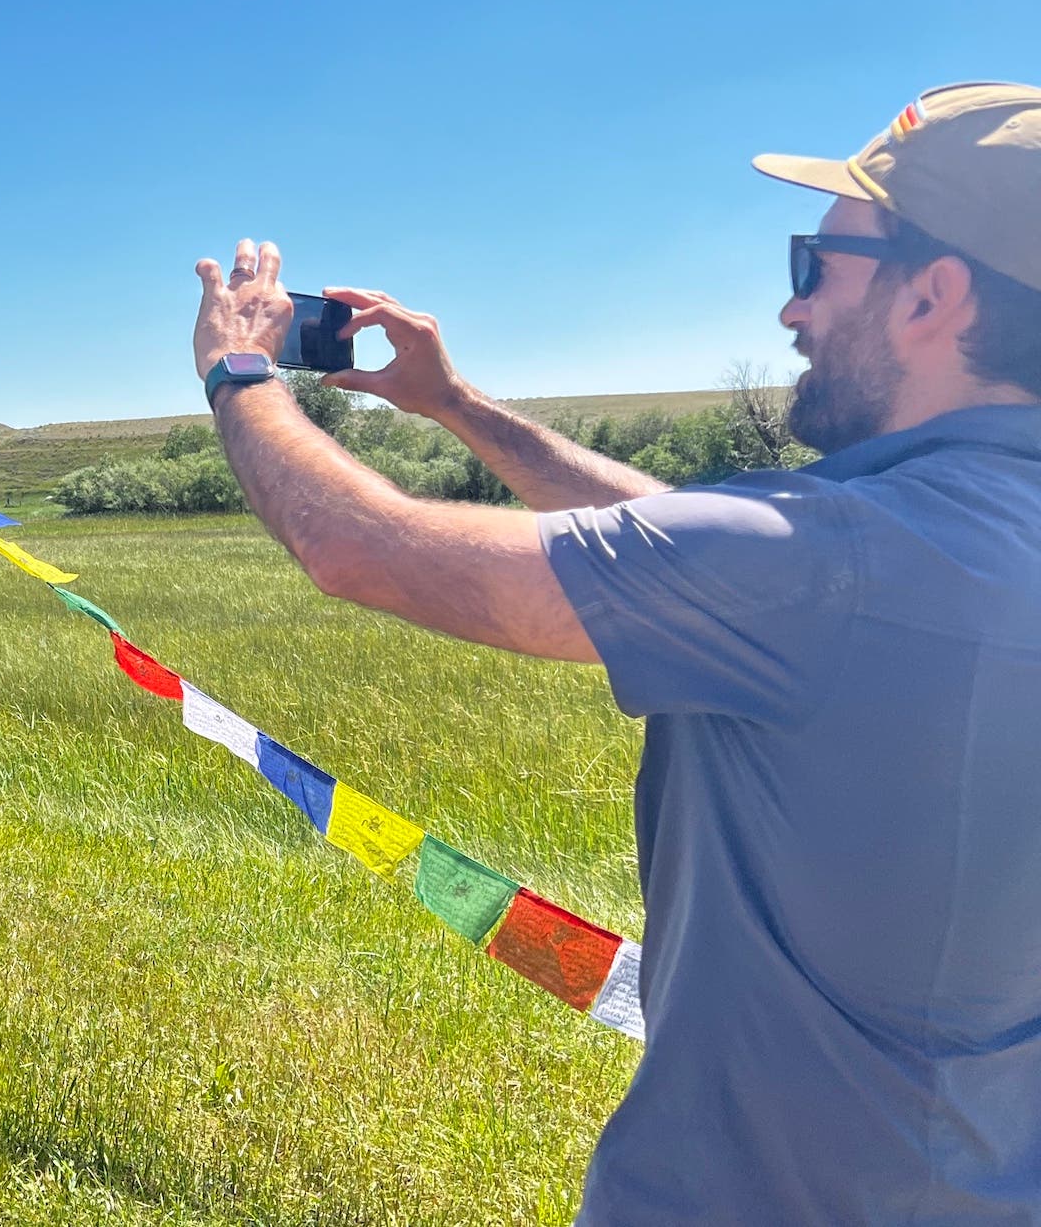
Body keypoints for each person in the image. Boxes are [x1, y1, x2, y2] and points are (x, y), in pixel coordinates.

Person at [187, 83, 1041, 1224]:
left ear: (934, 294)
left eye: (815, 266)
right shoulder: (932, 542)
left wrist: (239, 371)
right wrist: (457, 407)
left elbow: (361, 550)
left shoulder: (834, 565)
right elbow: (693, 545)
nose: (791, 313)